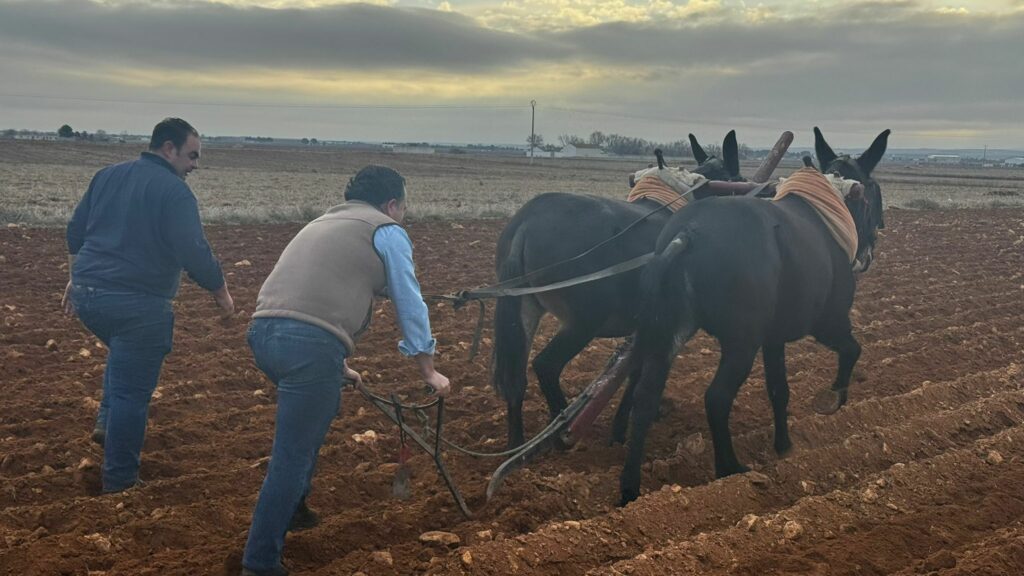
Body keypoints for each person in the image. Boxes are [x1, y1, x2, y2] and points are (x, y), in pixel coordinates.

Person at [240, 165, 450, 576]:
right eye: (403, 208)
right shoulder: (386, 230)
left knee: (307, 429)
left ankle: (295, 510)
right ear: (392, 204)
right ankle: (260, 562)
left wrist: (336, 365)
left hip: (263, 334)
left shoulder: (324, 221)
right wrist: (428, 370)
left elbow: (313, 292)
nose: (403, 215)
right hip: (308, 347)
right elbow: (409, 301)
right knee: (292, 454)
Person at [63, 117, 234, 494]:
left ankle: (107, 422)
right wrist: (220, 291)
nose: (195, 165)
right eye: (192, 155)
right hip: (138, 305)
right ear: (169, 149)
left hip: (90, 297)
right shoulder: (175, 192)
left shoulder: (107, 175)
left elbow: (75, 232)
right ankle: (120, 482)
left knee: (123, 354)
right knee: (132, 394)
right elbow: (193, 250)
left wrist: (77, 278)